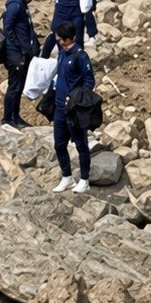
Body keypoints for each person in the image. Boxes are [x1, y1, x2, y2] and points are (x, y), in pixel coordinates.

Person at [50, 20, 95, 193]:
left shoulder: (80, 56)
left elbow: (89, 81)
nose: (57, 40)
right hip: (59, 109)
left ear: (68, 39)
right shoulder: (62, 53)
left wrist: (75, 98)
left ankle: (84, 180)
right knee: (59, 144)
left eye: (60, 38)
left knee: (81, 145)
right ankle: (67, 177)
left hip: (74, 110)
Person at [1, 0, 41, 128]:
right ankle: (7, 119)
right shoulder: (15, 5)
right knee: (14, 86)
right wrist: (19, 47)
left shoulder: (21, 4)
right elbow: (8, 28)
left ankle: (15, 116)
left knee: (18, 86)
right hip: (15, 54)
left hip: (22, 53)